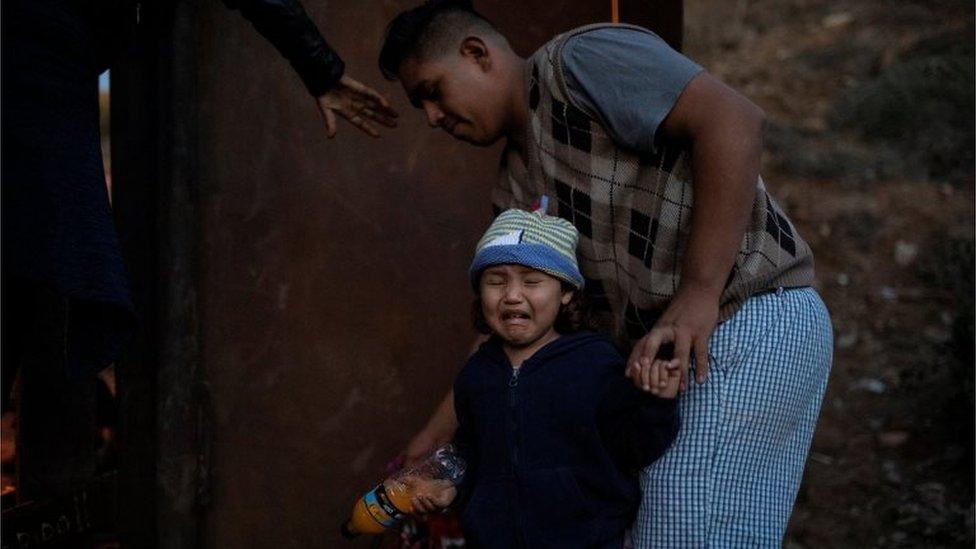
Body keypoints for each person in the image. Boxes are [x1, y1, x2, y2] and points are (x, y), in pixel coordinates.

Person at [380, 1, 833, 546]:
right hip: (674, 366)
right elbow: (506, 336)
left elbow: (734, 119)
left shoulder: (580, 63)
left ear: (476, 55)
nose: (431, 117)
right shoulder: (516, 193)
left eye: (432, 91)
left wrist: (698, 292)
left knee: (678, 528)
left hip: (749, 312)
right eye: (418, 105)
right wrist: (435, 438)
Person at [1, 0, 396, 504]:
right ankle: (55, 495)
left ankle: (54, 496)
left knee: (49, 281)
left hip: (49, 67)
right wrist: (319, 68)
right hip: (38, 60)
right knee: (61, 277)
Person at [410, 208, 680, 548]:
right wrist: (452, 487)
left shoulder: (595, 362)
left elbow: (634, 446)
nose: (512, 294)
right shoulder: (476, 375)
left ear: (566, 292)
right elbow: (474, 453)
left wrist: (657, 400)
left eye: (532, 281)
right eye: (496, 280)